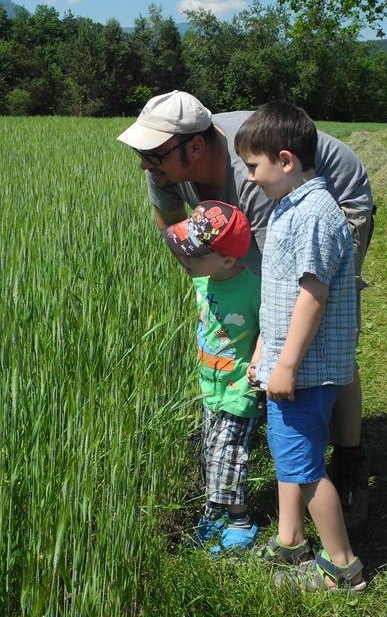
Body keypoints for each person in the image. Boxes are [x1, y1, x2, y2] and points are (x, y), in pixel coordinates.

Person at [117, 91, 374, 531]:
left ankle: (347, 462)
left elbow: (280, 292)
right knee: (268, 337)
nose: (145, 163)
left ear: (193, 147)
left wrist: (271, 357)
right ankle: (275, 432)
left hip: (338, 196)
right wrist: (209, 290)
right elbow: (172, 225)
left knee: (321, 333)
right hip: (270, 199)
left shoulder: (256, 179)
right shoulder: (164, 164)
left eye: (151, 153)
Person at [236, 100, 365, 591]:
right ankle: (291, 542)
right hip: (291, 365)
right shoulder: (291, 205)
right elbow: (280, 296)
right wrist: (263, 355)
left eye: (253, 166)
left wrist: (285, 365)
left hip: (305, 371)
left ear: (286, 161)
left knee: (307, 468)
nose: (248, 178)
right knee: (291, 455)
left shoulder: (311, 214)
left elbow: (311, 295)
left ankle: (342, 567)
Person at [162, 200, 264, 553]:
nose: (187, 260)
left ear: (228, 260)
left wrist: (259, 366)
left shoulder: (253, 290)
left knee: (228, 455)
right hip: (209, 388)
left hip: (239, 391)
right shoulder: (204, 280)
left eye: (195, 254)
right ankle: (214, 512)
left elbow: (269, 329)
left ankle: (240, 519)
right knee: (210, 454)